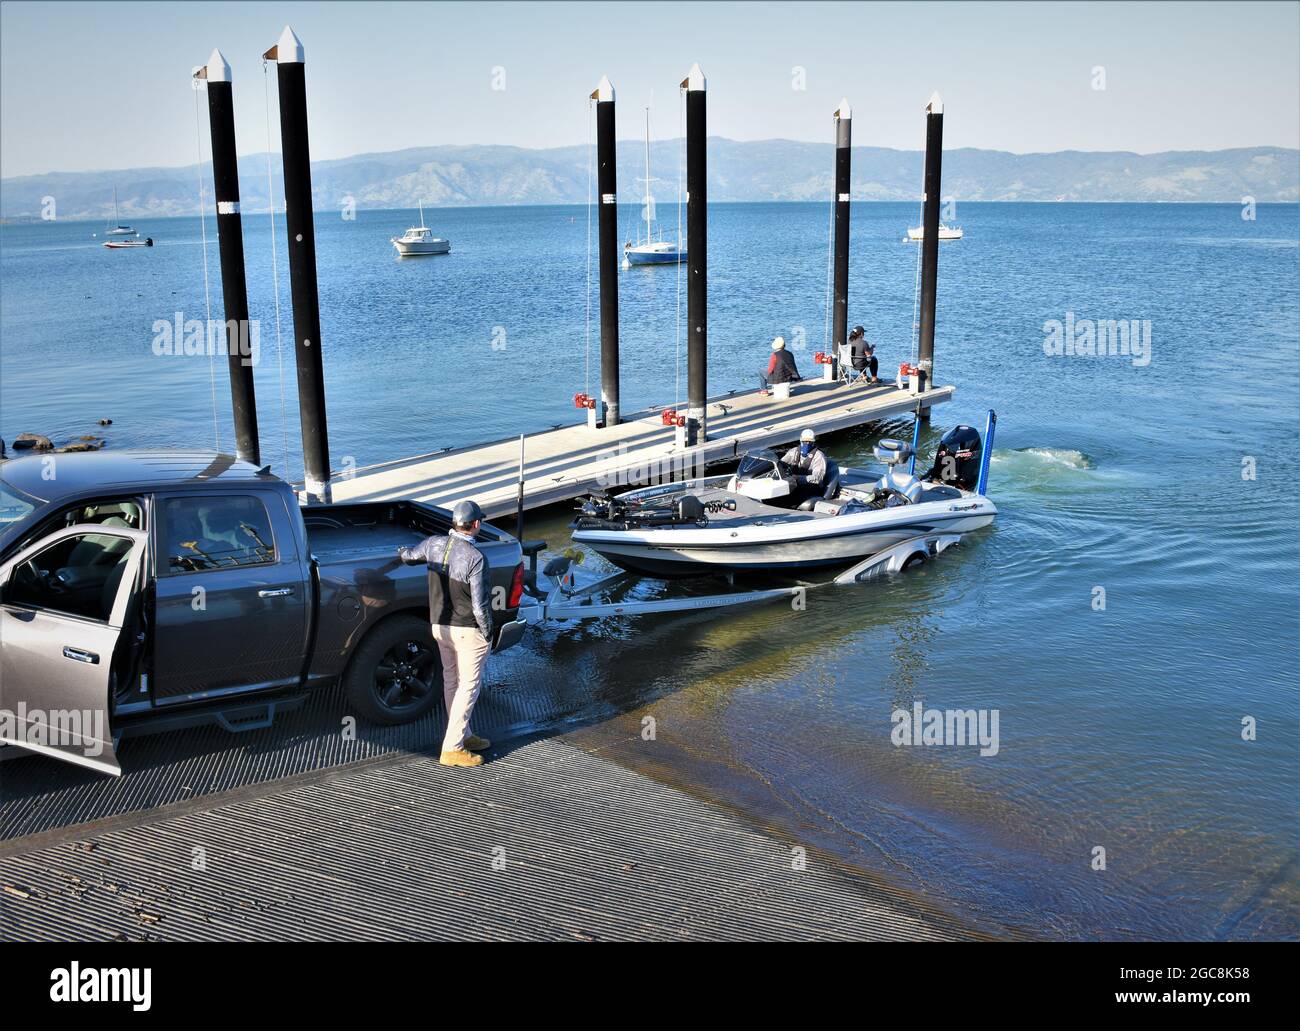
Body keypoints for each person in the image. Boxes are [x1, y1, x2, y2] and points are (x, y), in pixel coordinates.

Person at [397, 499, 494, 768]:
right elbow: (480, 605)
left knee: (452, 681)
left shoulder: (433, 544)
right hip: (467, 631)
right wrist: (488, 634)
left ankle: (463, 734)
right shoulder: (476, 558)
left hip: (439, 626)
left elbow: (408, 556)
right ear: (475, 525)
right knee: (468, 687)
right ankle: (452, 749)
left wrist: (400, 550)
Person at [780, 428, 829, 507]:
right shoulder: (793, 452)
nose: (807, 443)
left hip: (811, 488)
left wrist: (797, 478)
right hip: (794, 484)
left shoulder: (819, 456)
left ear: (813, 442)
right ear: (800, 440)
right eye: (804, 441)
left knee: (788, 500)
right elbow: (781, 464)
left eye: (810, 442)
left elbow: (817, 478)